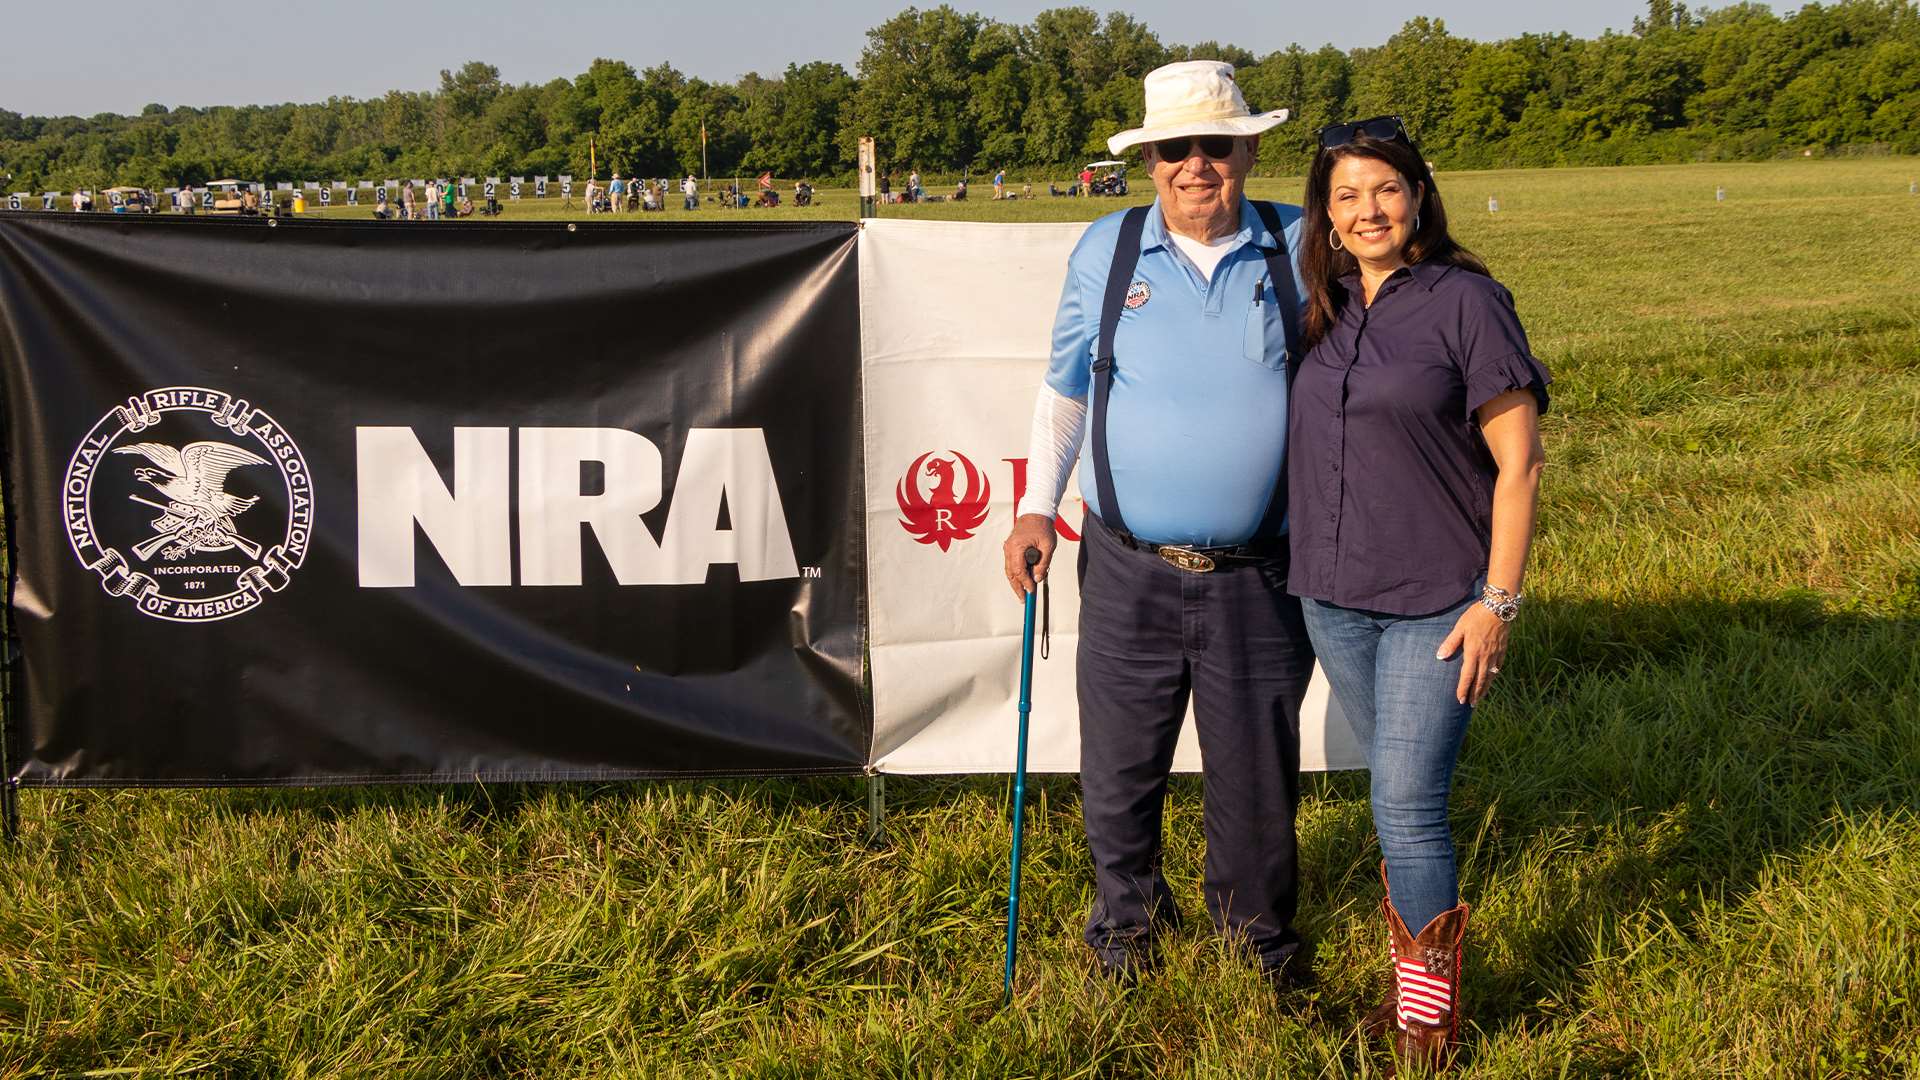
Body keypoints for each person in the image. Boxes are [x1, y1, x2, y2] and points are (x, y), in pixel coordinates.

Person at [1001, 60, 1311, 988]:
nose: (1195, 165)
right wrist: (1032, 507)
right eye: (1174, 148)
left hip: (1261, 570)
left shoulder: (1302, 245)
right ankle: (1124, 931)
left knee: (1255, 774)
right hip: (1125, 563)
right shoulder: (1108, 248)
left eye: (1215, 145)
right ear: (1149, 161)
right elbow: (1064, 393)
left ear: (1249, 149)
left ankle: (1254, 943)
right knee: (1121, 765)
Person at [1288, 115, 1549, 1072]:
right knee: (1394, 796)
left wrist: (1498, 600)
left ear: (1420, 197)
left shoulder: (1468, 303)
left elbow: (1517, 466)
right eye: (1347, 194)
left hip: (1439, 601)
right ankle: (1417, 999)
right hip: (1331, 596)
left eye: (1386, 190)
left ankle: (1426, 1031)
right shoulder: (1322, 304)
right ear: (1324, 211)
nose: (1369, 211)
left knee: (1405, 803)